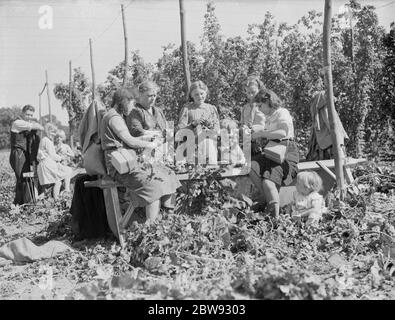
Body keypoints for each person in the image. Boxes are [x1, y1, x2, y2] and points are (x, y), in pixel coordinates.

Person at [101, 87, 181, 221]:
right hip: (120, 165)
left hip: (128, 160)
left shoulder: (117, 116)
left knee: (168, 174)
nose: (132, 107)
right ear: (123, 101)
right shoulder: (113, 117)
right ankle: (151, 228)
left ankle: (168, 217)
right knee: (153, 185)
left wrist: (148, 138)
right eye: (131, 103)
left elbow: (129, 139)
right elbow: (130, 141)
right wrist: (152, 144)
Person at [250, 88, 299, 219]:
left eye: (260, 105)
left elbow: (282, 133)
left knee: (268, 181)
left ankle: (274, 218)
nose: (259, 109)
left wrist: (261, 133)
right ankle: (268, 200)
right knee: (252, 167)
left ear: (268, 101)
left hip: (286, 149)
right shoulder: (269, 117)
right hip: (272, 149)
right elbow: (270, 134)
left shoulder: (282, 112)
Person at [178, 80, 220, 164]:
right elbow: (180, 130)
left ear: (206, 93)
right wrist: (193, 124)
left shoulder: (212, 108)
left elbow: (217, 127)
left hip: (210, 145)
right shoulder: (187, 109)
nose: (200, 97)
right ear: (191, 95)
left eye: (202, 93)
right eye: (196, 94)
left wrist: (210, 129)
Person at [9, 104, 43, 205]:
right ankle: (25, 204)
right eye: (27, 114)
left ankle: (20, 203)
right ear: (22, 113)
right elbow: (38, 126)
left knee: (25, 178)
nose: (29, 117)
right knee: (23, 178)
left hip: (24, 154)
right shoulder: (18, 122)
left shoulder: (25, 124)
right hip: (18, 153)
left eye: (31, 115)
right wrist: (36, 125)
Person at [37, 123, 73, 200]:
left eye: (54, 132)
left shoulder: (46, 140)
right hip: (47, 165)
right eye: (51, 132)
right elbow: (52, 155)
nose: (53, 134)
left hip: (47, 164)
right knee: (65, 174)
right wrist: (61, 158)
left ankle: (57, 197)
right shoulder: (47, 141)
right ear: (47, 131)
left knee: (58, 181)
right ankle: (63, 192)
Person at [240, 75, 267, 157]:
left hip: (263, 142)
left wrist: (255, 129)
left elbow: (269, 124)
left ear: (259, 90)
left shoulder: (265, 106)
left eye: (253, 92)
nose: (251, 95)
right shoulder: (245, 108)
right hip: (248, 144)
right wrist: (242, 129)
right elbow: (242, 124)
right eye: (248, 93)